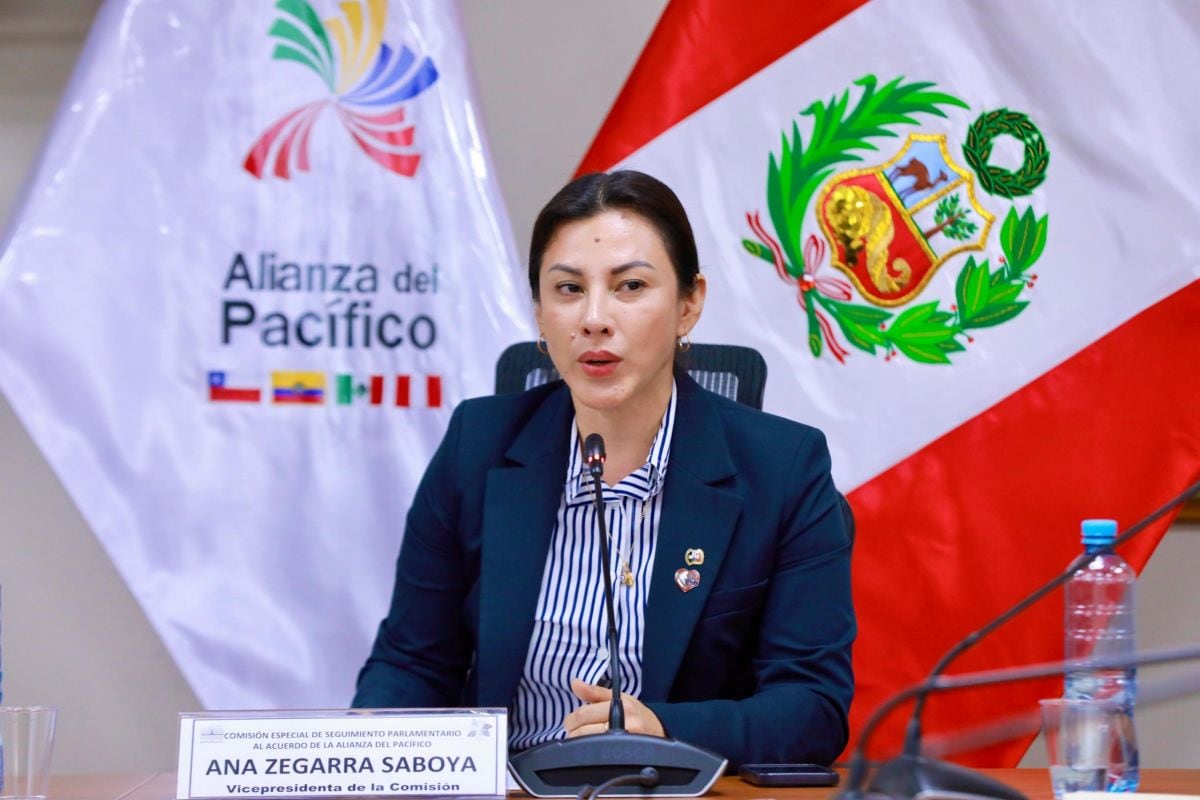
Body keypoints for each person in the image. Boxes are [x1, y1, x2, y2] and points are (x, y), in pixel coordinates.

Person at [352, 170, 855, 767]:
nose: (594, 318)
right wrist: (370, 745)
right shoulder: (478, 446)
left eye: (630, 286)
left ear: (689, 303)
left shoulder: (783, 469)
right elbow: (413, 661)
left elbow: (813, 708)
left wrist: (664, 728)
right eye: (567, 290)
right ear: (539, 312)